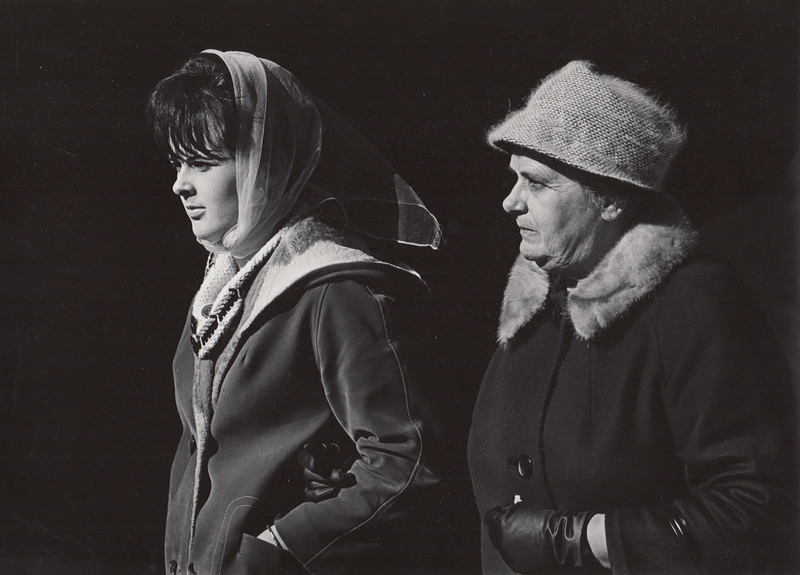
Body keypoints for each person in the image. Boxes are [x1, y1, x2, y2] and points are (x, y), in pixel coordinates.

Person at [467, 60, 797, 574]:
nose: (510, 202)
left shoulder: (694, 307)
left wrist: (582, 539)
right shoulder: (537, 303)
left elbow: (758, 505)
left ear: (611, 198)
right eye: (513, 179)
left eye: (536, 182)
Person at [146, 50, 442, 575]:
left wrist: (276, 550)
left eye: (204, 162)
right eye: (178, 162)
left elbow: (405, 462)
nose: (180, 184)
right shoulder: (226, 283)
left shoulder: (335, 288)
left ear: (267, 159)